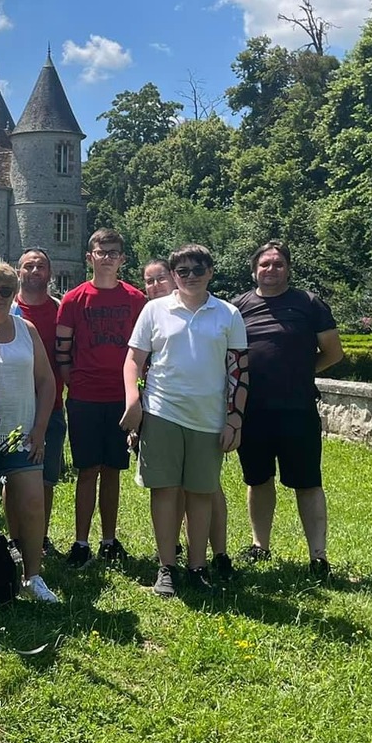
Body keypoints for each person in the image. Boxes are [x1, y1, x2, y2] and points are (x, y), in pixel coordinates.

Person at [121, 244, 248, 598]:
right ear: (174, 276)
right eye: (183, 271)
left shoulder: (228, 314)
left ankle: (198, 567)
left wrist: (234, 421)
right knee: (164, 491)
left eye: (198, 269)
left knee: (201, 494)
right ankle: (167, 567)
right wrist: (134, 400)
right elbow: (133, 361)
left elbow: (238, 370)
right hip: (162, 412)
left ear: (210, 271)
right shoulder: (154, 310)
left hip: (209, 418)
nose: (190, 276)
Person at [232, 241, 344, 579]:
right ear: (254, 269)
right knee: (258, 479)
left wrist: (301, 372)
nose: (271, 269)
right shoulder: (238, 307)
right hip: (252, 411)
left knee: (308, 482)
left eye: (278, 264)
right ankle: (259, 546)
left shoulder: (309, 303)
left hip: (297, 410)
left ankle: (318, 557)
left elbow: (333, 352)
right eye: (264, 264)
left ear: (288, 268)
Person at [0, 259, 59, 605]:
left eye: (5, 290)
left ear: (14, 293)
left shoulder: (26, 329)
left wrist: (40, 429)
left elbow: (47, 382)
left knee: (33, 505)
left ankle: (33, 576)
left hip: (22, 435)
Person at [55, 228, 147, 569]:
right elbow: (62, 350)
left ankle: (109, 540)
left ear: (122, 259)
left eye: (113, 252)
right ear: (89, 256)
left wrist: (136, 396)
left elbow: (144, 351)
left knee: (113, 470)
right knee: (87, 469)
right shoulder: (74, 299)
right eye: (100, 251)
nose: (106, 257)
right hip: (85, 397)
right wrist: (74, 385)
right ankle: (81, 542)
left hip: (122, 398)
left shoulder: (136, 300)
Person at [13, 248, 66, 555]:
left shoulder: (60, 310)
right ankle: (16, 539)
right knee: (12, 478)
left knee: (46, 477)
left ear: (49, 272)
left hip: (52, 406)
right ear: (19, 272)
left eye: (41, 266)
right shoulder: (8, 309)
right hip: (14, 407)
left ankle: (40, 538)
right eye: (28, 265)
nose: (34, 271)